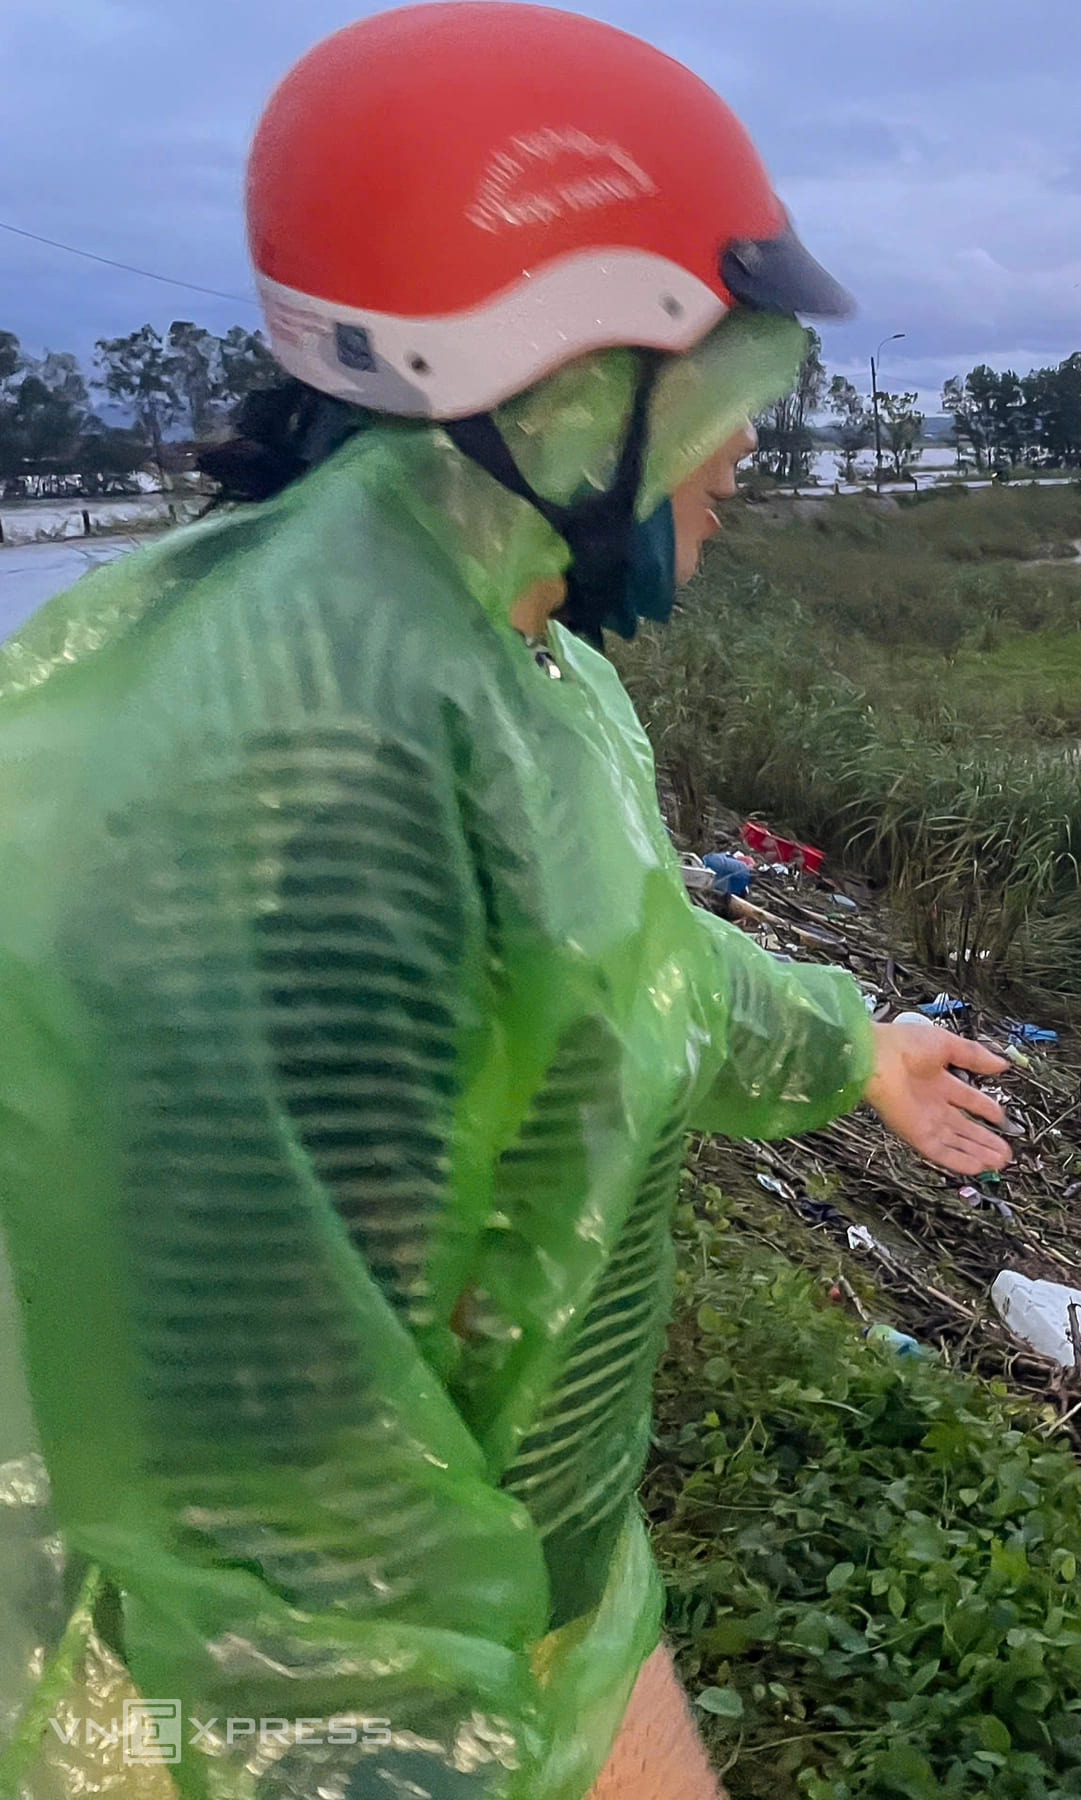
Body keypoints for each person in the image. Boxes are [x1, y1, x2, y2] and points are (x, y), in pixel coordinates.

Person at [0, 6, 1010, 1795]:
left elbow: (612, 960)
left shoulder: (507, 659)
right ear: (548, 370)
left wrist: (854, 1042)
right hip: (322, 1694)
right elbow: (277, 1515)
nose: (748, 456)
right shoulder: (304, 757)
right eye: (726, 391)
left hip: (545, 1578)